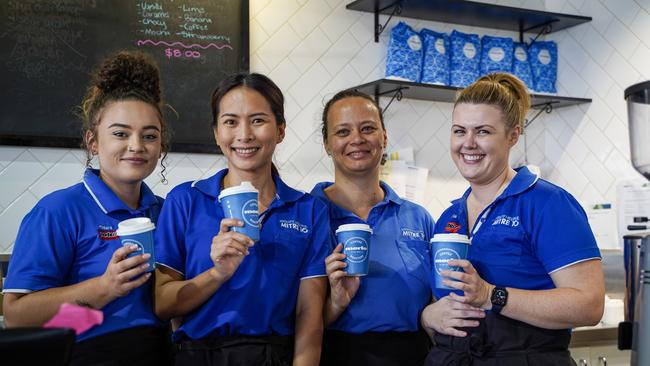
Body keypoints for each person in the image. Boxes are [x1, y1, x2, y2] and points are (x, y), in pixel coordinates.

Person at [421, 72, 605, 366]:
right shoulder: (449, 217)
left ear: (513, 136)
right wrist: (428, 316)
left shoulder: (547, 204)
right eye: (459, 131)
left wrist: (492, 295)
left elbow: (589, 305)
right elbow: (442, 299)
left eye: (482, 131)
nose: (468, 143)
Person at [2, 51, 172, 365]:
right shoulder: (59, 211)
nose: (137, 145)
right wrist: (104, 288)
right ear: (93, 141)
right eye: (120, 133)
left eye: (150, 136)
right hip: (89, 353)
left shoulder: (167, 212)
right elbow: (16, 315)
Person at [153, 73, 332, 366]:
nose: (244, 134)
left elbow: (309, 318)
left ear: (281, 130)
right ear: (216, 132)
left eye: (258, 120)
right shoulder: (186, 200)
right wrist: (218, 273)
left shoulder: (308, 210)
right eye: (230, 122)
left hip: (275, 356)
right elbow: (162, 304)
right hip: (198, 356)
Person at [312, 90, 435, 366]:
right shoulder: (307, 216)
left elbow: (434, 303)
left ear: (384, 137)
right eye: (343, 132)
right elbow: (288, 321)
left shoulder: (418, 219)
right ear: (327, 144)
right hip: (335, 353)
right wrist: (335, 303)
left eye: (368, 128)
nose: (357, 139)